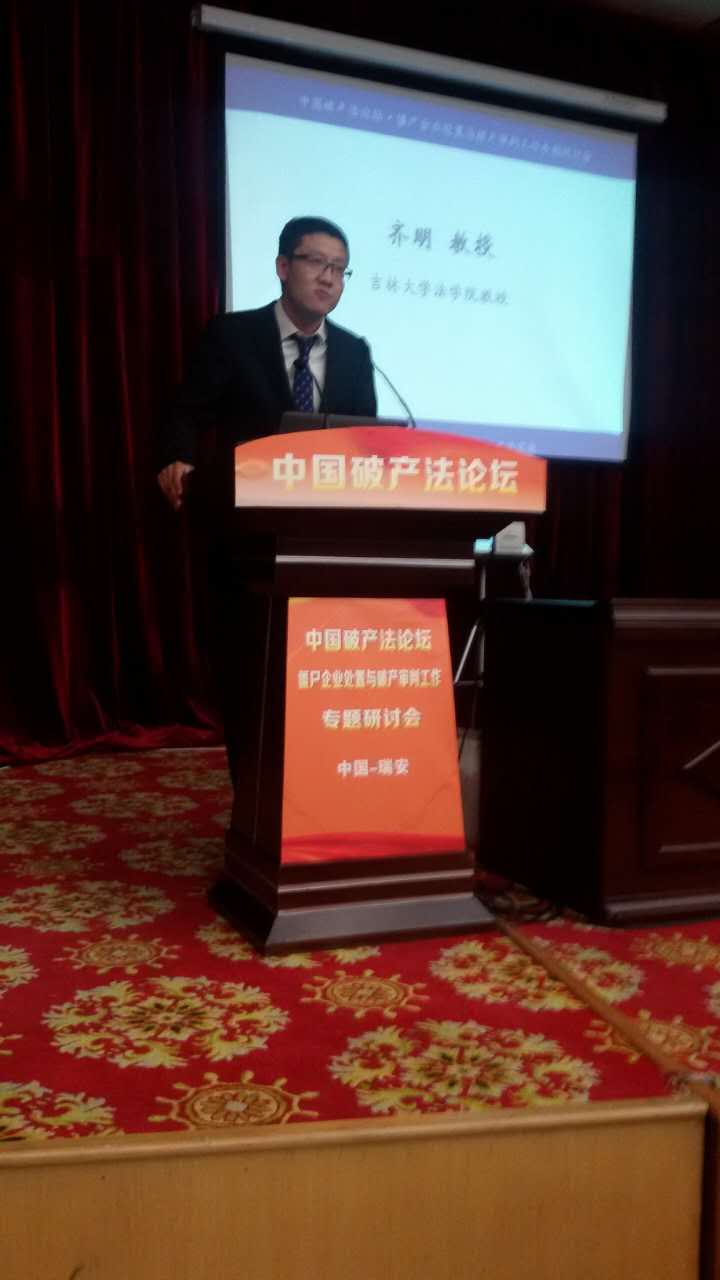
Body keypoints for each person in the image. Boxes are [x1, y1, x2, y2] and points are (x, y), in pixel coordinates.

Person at [158, 215, 377, 511]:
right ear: (283, 267)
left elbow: (364, 437)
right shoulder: (233, 335)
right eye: (316, 262)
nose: (328, 278)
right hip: (242, 509)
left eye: (338, 269)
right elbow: (187, 411)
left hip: (327, 513)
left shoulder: (354, 352)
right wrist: (179, 458)